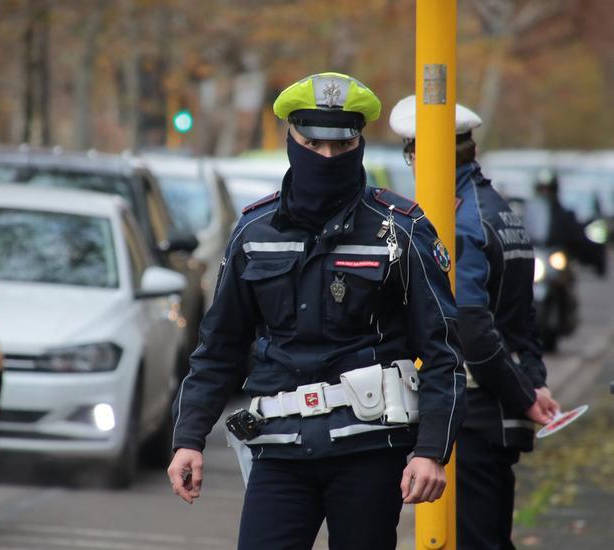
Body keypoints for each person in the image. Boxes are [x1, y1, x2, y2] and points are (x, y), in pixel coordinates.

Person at [168, 72, 466, 550]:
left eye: (342, 146)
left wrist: (431, 451)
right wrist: (189, 438)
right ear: (291, 138)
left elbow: (444, 352)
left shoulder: (401, 230)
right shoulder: (254, 231)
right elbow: (218, 348)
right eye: (313, 144)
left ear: (360, 143)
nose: (327, 157)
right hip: (279, 449)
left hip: (370, 450)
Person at [389, 95, 560, 549]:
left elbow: (472, 329)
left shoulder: (456, 221)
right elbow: (524, 322)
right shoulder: (500, 211)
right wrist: (533, 385)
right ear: (473, 149)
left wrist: (524, 396)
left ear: (417, 155)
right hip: (498, 415)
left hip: (473, 416)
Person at [533, 168, 606, 276]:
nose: (545, 193)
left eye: (548, 189)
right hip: (538, 255)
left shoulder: (565, 215)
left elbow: (576, 237)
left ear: (555, 190)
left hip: (557, 256)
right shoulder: (530, 214)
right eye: (542, 189)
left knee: (565, 276)